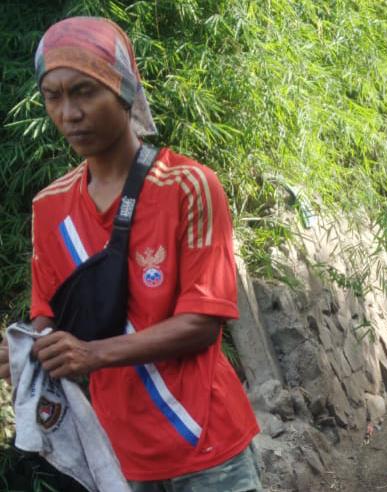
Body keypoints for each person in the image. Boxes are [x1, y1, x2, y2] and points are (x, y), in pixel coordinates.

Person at [0, 16, 262, 492]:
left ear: (123, 90)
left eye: (84, 91)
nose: (69, 113)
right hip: (119, 453)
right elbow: (48, 315)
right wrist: (27, 351)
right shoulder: (49, 207)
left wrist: (92, 354)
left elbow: (202, 324)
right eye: (53, 96)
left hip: (205, 442)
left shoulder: (188, 186)